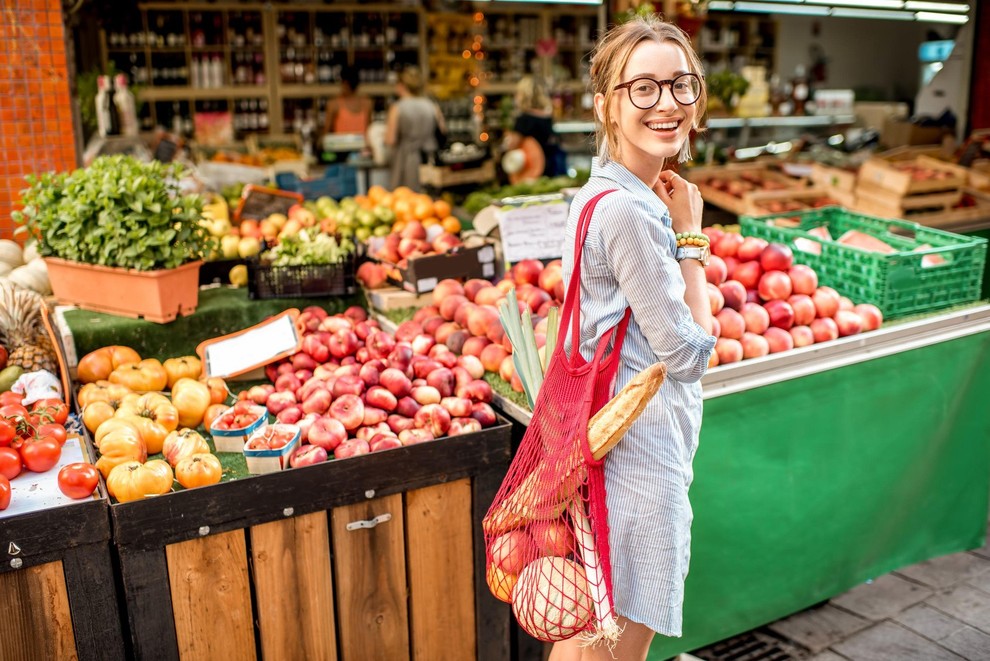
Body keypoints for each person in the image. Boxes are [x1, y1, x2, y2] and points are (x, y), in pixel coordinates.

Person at [551, 15, 714, 661]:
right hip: (637, 459)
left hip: (607, 444)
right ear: (606, 105)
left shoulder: (600, 195)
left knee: (592, 625)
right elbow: (690, 352)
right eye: (642, 88)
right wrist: (692, 236)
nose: (667, 103)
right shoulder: (631, 210)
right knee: (616, 638)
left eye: (681, 85)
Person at [384, 66, 446, 191]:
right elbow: (443, 131)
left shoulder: (397, 108)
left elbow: (390, 139)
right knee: (428, 197)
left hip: (406, 160)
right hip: (429, 158)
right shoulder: (432, 106)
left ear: (401, 85)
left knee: (406, 198)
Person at [502, 76, 564, 178]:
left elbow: (513, 144)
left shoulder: (524, 119)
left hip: (531, 170)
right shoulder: (547, 117)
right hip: (549, 167)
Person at [322, 68, 372, 138]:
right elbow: (326, 134)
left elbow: (370, 131)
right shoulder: (334, 104)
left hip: (362, 147)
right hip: (340, 147)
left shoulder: (367, 103)